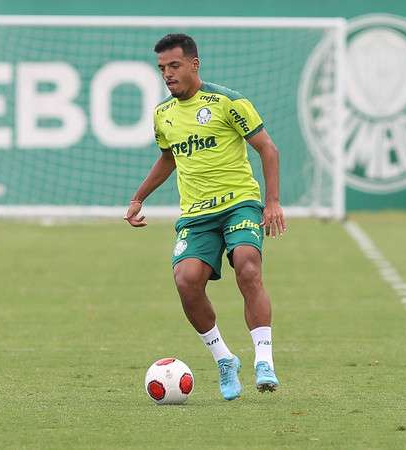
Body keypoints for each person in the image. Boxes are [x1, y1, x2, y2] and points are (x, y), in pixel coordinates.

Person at [125, 33, 287, 400]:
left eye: (174, 65)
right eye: (162, 68)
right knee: (186, 281)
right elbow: (169, 158)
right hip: (197, 215)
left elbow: (268, 148)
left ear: (194, 64)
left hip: (239, 204)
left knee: (247, 265)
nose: (167, 74)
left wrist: (273, 201)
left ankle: (264, 360)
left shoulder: (228, 102)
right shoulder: (163, 115)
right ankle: (225, 359)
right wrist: (138, 198)